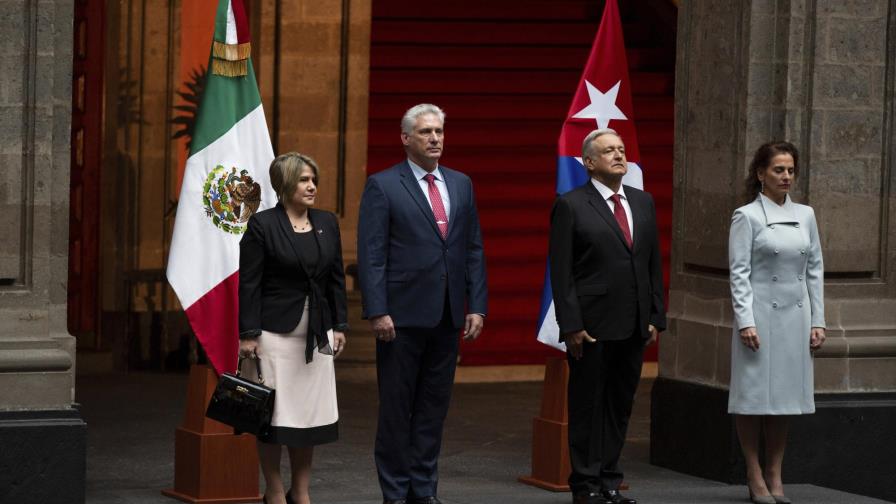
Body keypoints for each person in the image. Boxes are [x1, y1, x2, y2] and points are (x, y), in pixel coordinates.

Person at [357, 103, 488, 504]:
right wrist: (377, 309)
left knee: (433, 409)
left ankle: (424, 490)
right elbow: (372, 254)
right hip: (400, 317)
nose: (435, 138)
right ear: (405, 138)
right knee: (397, 410)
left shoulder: (461, 183)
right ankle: (396, 493)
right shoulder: (383, 185)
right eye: (426, 132)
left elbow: (472, 249)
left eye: (439, 132)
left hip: (447, 314)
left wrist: (476, 304)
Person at [549, 128, 665, 504]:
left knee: (619, 404)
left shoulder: (642, 201)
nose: (619, 155)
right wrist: (571, 325)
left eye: (621, 149)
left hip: (634, 322)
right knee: (588, 404)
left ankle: (610, 481)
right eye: (609, 151)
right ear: (588, 162)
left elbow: (652, 262)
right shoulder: (571, 205)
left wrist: (655, 315)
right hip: (591, 324)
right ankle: (585, 485)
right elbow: (561, 272)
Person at [238, 152, 349, 504]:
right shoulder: (263, 225)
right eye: (304, 180)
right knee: (273, 418)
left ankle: (300, 491)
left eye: (313, 179)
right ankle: (274, 490)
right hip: (273, 335)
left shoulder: (327, 222)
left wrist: (340, 325)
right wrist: (248, 334)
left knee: (308, 418)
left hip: (316, 334)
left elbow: (335, 279)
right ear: (285, 184)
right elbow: (249, 283)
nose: (312, 186)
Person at [728, 141, 825, 504]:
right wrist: (745, 321)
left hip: (796, 317)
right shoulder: (746, 216)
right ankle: (753, 472)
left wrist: (819, 320)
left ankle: (775, 472)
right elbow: (739, 273)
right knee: (752, 396)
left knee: (785, 398)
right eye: (778, 170)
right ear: (761, 174)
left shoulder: (806, 215)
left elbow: (814, 270)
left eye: (790, 170)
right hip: (759, 318)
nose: (786, 176)